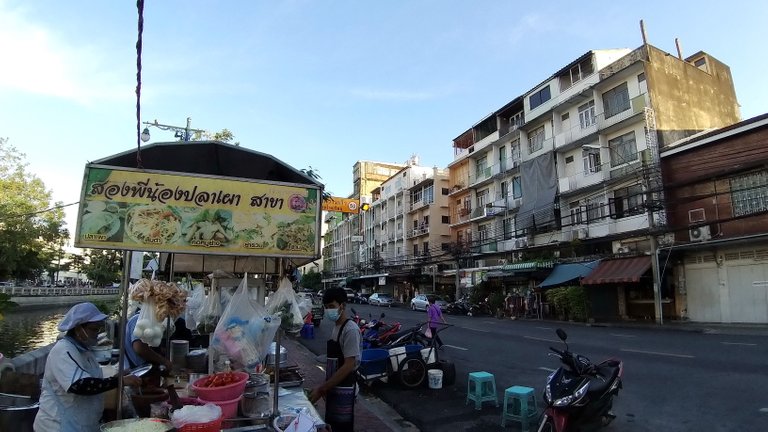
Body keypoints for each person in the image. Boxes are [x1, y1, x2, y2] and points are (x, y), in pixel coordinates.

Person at [34, 302, 142, 432]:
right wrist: (120, 381)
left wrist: (119, 375)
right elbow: (81, 385)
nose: (97, 333)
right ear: (79, 329)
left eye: (99, 329)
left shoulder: (85, 351)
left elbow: (94, 378)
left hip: (81, 424)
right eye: (94, 329)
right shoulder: (63, 350)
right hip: (58, 426)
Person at [309, 287, 361, 432]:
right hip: (334, 387)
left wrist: (322, 388)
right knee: (331, 424)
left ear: (342, 306)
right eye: (326, 307)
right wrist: (327, 387)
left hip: (345, 390)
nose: (328, 310)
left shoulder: (350, 330)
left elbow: (349, 364)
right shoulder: (336, 327)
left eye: (331, 306)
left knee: (341, 426)